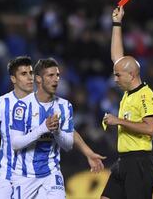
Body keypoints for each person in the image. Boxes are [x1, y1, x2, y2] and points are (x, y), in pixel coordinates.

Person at [0, 56, 105, 199]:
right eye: (23, 74)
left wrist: (87, 152)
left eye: (31, 73)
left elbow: (68, 131)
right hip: (10, 175)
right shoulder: (3, 103)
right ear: (13, 79)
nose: (29, 78)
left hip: (46, 173)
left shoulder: (49, 102)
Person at [10, 58, 100, 199]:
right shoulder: (22, 106)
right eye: (50, 76)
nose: (56, 79)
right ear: (38, 79)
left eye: (57, 75)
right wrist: (42, 128)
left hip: (51, 175)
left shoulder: (64, 106)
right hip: (24, 176)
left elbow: (68, 145)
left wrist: (57, 131)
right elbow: (15, 144)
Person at [101, 6, 153, 199]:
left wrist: (119, 121)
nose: (115, 79)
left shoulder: (145, 95)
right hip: (124, 161)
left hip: (139, 163)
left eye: (118, 75)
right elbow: (117, 58)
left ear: (132, 75)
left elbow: (150, 128)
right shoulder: (128, 91)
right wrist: (117, 23)